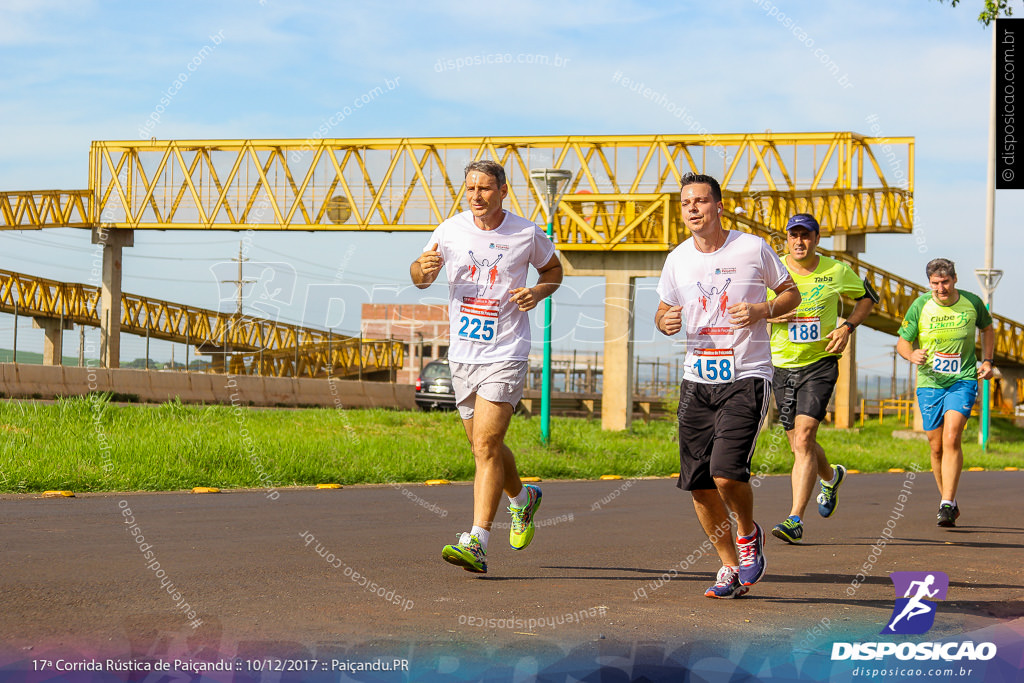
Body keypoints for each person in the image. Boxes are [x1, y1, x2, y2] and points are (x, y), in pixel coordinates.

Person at [410, 160, 563, 573]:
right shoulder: (450, 230)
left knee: (486, 446)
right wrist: (420, 272)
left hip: (507, 351)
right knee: (483, 446)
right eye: (471, 188)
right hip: (463, 354)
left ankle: (476, 540)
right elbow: (420, 274)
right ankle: (522, 499)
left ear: (502, 191)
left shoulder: (526, 232)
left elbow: (554, 270)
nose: (477, 196)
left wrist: (537, 291)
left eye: (486, 188)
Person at [655, 172, 800, 598]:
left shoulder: (752, 248)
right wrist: (665, 321)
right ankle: (728, 568)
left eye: (701, 201)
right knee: (699, 484)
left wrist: (762, 310)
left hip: (746, 375)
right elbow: (663, 313)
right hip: (696, 380)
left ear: (719, 206)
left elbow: (791, 294)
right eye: (686, 203)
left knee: (725, 474)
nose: (693, 209)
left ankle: (748, 531)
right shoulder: (677, 259)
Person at [766, 214, 879, 544]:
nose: (799, 241)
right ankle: (830, 477)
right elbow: (757, 307)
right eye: (793, 235)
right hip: (782, 365)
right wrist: (775, 312)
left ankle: (794, 519)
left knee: (804, 438)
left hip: (820, 363)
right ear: (787, 239)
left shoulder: (836, 271)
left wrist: (847, 327)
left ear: (816, 239)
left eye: (806, 235)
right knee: (798, 444)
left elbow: (868, 296)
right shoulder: (773, 269)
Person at [896, 258, 994, 527]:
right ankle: (947, 499)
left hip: (962, 380)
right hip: (930, 383)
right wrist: (911, 354)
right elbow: (902, 342)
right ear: (929, 283)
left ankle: (946, 503)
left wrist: (987, 361)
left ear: (955, 279)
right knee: (936, 445)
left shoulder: (972, 303)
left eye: (946, 282)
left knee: (952, 437)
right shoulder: (920, 305)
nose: (941, 288)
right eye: (935, 283)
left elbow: (987, 328)